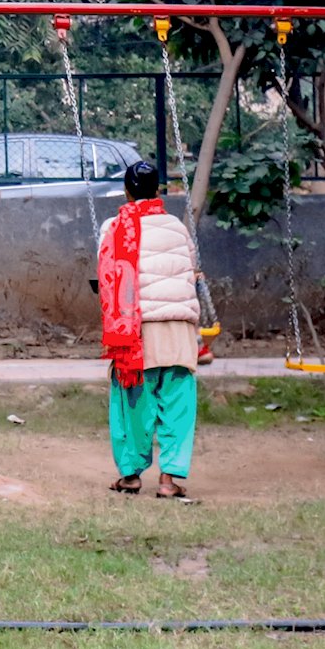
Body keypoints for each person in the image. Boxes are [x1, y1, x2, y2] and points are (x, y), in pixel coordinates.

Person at [96, 158, 211, 499]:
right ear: (158, 190)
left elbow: (106, 276)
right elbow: (190, 269)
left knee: (133, 404)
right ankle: (169, 480)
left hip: (137, 332)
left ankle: (131, 475)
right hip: (178, 329)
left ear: (127, 191)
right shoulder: (177, 226)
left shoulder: (113, 227)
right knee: (177, 403)